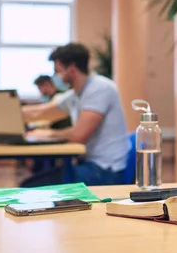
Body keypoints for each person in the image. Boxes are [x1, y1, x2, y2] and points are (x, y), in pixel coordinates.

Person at [21, 43, 130, 187]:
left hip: (105, 171)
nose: (55, 77)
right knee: (32, 183)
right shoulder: (75, 94)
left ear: (71, 69)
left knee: (30, 187)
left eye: (57, 71)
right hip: (90, 165)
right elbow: (40, 112)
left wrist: (47, 134)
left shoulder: (100, 89)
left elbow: (78, 136)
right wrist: (4, 113)